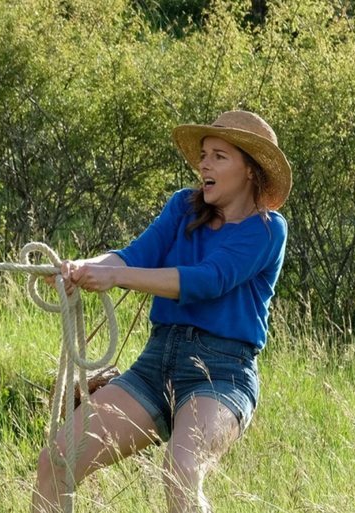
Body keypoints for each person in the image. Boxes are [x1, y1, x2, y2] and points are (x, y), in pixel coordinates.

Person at [31, 110, 291, 513]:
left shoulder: (268, 228)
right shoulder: (182, 208)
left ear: (251, 171)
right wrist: (83, 268)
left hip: (222, 374)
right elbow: (132, 256)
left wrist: (117, 278)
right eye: (204, 154)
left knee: (182, 469)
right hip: (157, 363)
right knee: (58, 458)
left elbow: (207, 280)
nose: (204, 163)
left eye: (219, 156)